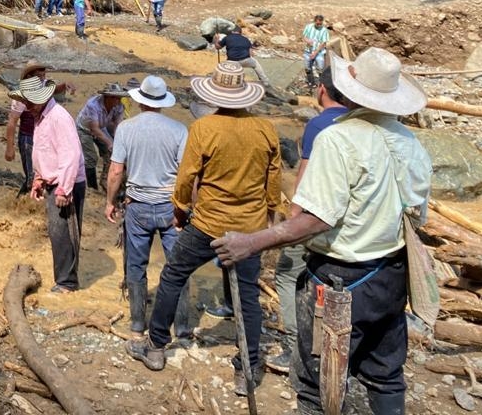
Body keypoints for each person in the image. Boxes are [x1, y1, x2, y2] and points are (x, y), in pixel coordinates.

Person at [213, 48, 431, 415]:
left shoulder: (337, 138)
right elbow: (417, 215)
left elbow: (317, 219)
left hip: (341, 278)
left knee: (317, 382)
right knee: (385, 374)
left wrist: (251, 242)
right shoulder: (410, 142)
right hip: (392, 274)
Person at [127, 61, 280, 399]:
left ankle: (155, 347)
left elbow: (186, 178)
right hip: (250, 227)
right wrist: (271, 216)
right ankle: (248, 367)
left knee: (173, 276)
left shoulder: (204, 128)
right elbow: (274, 179)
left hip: (208, 222)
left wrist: (180, 210)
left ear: (215, 96)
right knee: (249, 295)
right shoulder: (265, 128)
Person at [266, 67, 348, 374]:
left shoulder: (319, 124)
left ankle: (293, 349)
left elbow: (305, 172)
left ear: (322, 91)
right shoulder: (363, 123)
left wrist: (293, 216)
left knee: (288, 275)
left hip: (315, 215)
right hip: (347, 224)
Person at [105, 76, 191, 338]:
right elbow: (186, 175)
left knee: (136, 265)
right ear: (163, 103)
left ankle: (137, 323)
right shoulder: (179, 130)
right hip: (170, 206)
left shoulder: (126, 129)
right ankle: (183, 326)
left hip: (138, 205)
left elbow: (116, 170)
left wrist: (109, 201)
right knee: (178, 267)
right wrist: (186, 208)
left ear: (140, 101)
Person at [10, 76, 86, 293]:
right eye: (26, 103)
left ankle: (67, 283)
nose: (28, 107)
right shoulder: (40, 117)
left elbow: (70, 155)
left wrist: (64, 188)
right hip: (53, 180)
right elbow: (43, 151)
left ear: (42, 99)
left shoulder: (58, 117)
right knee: (56, 231)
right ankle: (64, 279)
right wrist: (38, 178)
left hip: (66, 182)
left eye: (31, 103)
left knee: (65, 232)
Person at [4, 60, 75, 195]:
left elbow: (55, 90)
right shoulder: (22, 96)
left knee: (45, 174)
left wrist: (65, 85)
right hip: (28, 137)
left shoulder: (44, 87)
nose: (43, 78)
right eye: (39, 76)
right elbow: (12, 121)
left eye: (44, 75)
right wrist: (10, 147)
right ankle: (21, 205)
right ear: (29, 77)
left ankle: (28, 205)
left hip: (46, 137)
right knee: (32, 177)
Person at [76, 84, 126, 190]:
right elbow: (94, 129)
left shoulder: (119, 106)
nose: (118, 100)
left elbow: (118, 125)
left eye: (119, 98)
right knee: (91, 158)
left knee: (111, 153)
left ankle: (105, 180)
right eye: (115, 98)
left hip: (101, 127)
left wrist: (117, 143)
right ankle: (92, 187)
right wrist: (109, 143)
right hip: (85, 129)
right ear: (107, 97)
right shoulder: (93, 105)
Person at [302, 14, 331, 86]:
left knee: (320, 68)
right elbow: (304, 37)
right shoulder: (308, 27)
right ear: (314, 21)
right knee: (307, 67)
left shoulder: (324, 30)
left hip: (319, 52)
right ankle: (311, 83)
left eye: (320, 24)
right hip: (308, 51)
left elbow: (323, 43)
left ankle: (321, 84)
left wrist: (315, 53)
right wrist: (307, 41)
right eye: (317, 24)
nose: (319, 26)